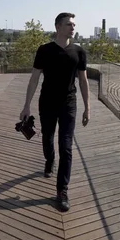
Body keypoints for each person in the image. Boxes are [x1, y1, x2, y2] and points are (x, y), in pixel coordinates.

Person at [19, 12, 90, 212]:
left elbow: (83, 81)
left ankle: (62, 191)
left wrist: (88, 108)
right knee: (48, 138)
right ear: (58, 27)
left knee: (66, 146)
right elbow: (34, 79)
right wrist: (26, 105)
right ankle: (49, 160)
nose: (73, 27)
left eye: (74, 24)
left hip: (69, 104)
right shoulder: (44, 50)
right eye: (69, 24)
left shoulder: (79, 52)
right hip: (47, 103)